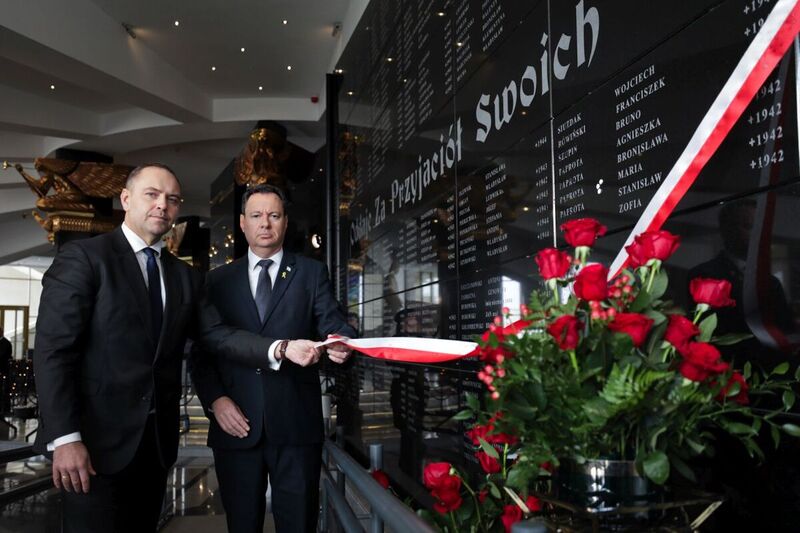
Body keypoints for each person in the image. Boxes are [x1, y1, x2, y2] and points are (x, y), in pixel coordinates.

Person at [33, 164, 277, 533]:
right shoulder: (85, 259)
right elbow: (53, 352)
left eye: (172, 199)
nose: (163, 205)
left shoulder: (184, 276)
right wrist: (65, 438)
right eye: (152, 194)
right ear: (126, 199)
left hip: (154, 447)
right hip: (92, 445)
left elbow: (217, 336)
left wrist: (278, 349)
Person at [190, 184, 356, 533]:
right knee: (242, 525)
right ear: (242, 223)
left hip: (295, 425)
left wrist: (343, 344)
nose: (265, 223)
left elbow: (336, 327)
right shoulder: (217, 281)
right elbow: (202, 353)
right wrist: (216, 401)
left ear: (284, 222)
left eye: (274, 215)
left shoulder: (311, 274)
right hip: (235, 424)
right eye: (256, 215)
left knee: (299, 524)